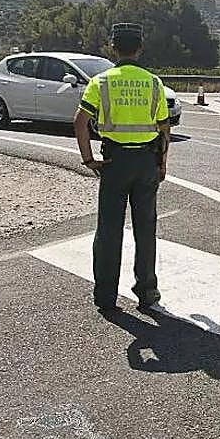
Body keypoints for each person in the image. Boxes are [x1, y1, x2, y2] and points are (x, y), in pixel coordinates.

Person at [73, 23, 171, 313]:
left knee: (108, 230)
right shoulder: (154, 83)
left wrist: (89, 159)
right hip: (146, 162)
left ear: (113, 48)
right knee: (145, 229)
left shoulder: (101, 82)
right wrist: (162, 164)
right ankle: (147, 292)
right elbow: (164, 128)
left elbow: (80, 121)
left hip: (113, 163)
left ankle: (105, 296)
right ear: (139, 49)